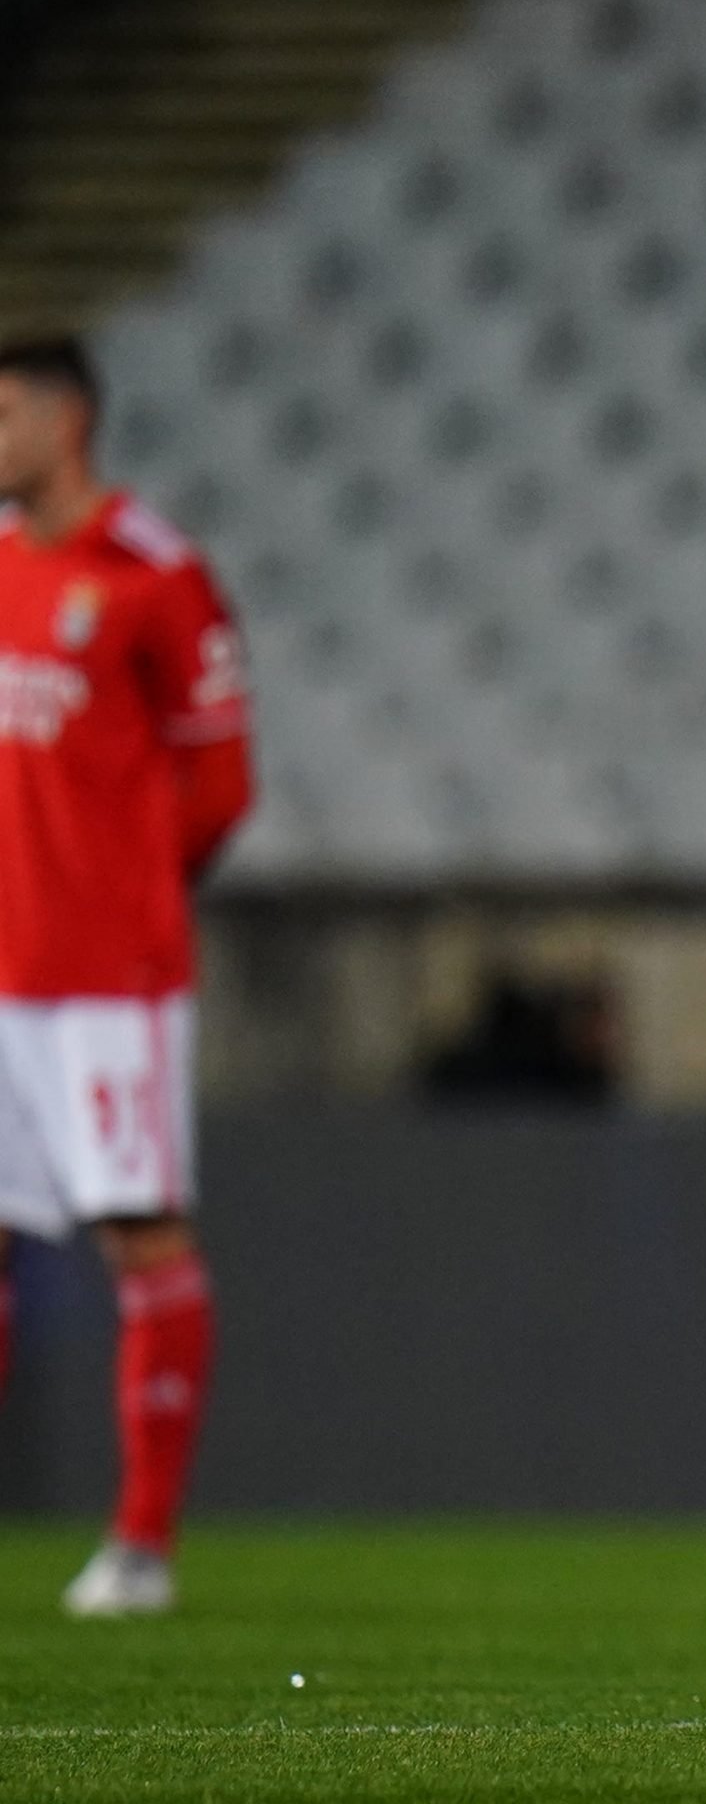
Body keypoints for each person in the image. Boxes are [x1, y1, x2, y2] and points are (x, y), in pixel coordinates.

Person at [0, 335, 254, 1616]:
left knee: (140, 1236)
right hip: (2, 969)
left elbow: (221, 780)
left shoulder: (155, 575)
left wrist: (134, 892)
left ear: (65, 419)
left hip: (110, 979)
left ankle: (142, 1543)